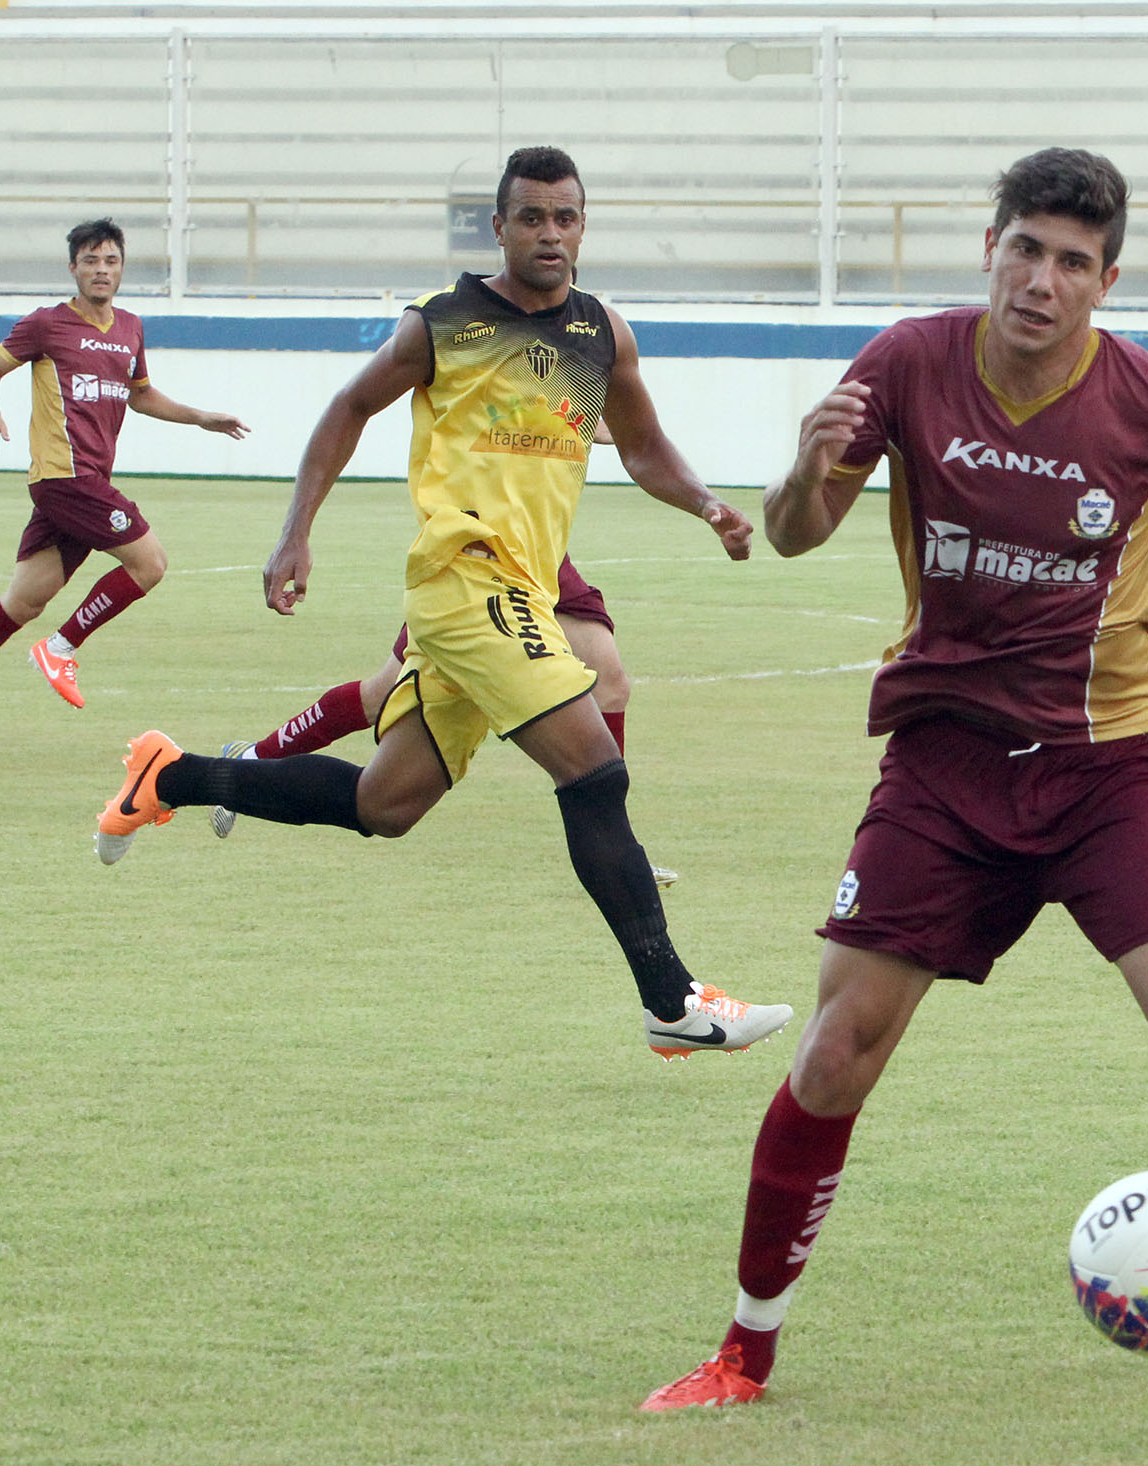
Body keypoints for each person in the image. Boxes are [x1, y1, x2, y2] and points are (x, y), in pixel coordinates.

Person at [640, 147, 1148, 1411]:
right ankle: (746, 1351)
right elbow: (795, 532)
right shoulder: (903, 364)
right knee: (837, 1050)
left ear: (1104, 281)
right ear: (991, 248)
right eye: (1025, 249)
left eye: (1073, 262)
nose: (1042, 280)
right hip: (942, 765)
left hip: (1103, 766)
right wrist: (805, 461)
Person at [91, 145, 783, 1059]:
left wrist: (705, 504)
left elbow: (645, 445)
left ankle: (169, 775)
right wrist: (296, 531)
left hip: (523, 587)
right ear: (499, 226)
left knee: (387, 804)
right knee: (594, 772)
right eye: (531, 217)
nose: (550, 232)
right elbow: (346, 409)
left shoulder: (601, 332)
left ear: (584, 225)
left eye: (565, 216)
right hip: (463, 578)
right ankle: (672, 1000)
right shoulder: (442, 323)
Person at [0, 218, 248, 734]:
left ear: (122, 268)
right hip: (66, 478)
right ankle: (61, 647)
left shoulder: (130, 328)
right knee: (150, 563)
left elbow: (142, 394)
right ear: (73, 268)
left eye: (111, 261)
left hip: (78, 485)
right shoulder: (46, 323)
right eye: (90, 261)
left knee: (24, 599)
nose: (101, 270)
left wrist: (202, 418)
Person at [208, 549, 694, 891]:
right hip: (476, 554)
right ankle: (250, 758)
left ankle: (620, 850)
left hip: (539, 548)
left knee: (611, 682)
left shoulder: (576, 398)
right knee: (381, 695)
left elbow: (616, 427)